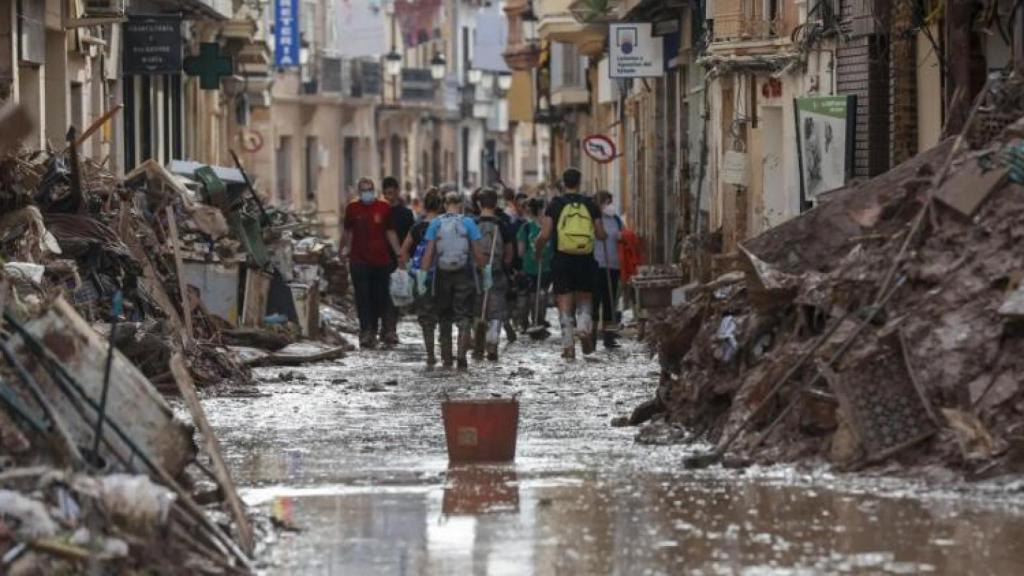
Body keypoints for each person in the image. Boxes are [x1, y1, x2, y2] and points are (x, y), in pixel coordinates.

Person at [534, 167, 606, 359]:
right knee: (585, 298)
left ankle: (568, 346)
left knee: (564, 300)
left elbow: (545, 234)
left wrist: (538, 249)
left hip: (562, 259)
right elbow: (600, 235)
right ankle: (583, 327)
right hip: (585, 259)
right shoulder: (590, 204)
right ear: (579, 182)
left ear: (563, 183)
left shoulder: (555, 204)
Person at [418, 192, 487, 370]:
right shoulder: (469, 222)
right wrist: (485, 273)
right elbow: (478, 252)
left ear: (445, 204)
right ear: (462, 204)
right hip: (464, 272)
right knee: (464, 315)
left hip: (442, 273)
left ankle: (447, 359)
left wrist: (422, 276)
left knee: (444, 316)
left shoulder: (436, 223)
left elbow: (428, 253)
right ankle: (462, 356)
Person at [341, 178, 403, 349]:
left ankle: (381, 329)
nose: (366, 193)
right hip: (359, 260)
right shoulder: (352, 208)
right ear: (359, 192)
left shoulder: (384, 208)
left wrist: (398, 253)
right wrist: (342, 250)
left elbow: (390, 232)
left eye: (369, 189)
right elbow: (347, 232)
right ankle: (366, 331)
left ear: (374, 190)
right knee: (362, 297)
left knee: (380, 297)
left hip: (381, 261)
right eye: (363, 190)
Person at [400, 188, 442, 369]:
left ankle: (431, 354)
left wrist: (410, 268)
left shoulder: (417, 227)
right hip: (444, 275)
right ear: (441, 206)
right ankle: (448, 355)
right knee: (445, 315)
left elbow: (403, 251)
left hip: (421, 277)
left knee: (426, 317)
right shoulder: (445, 225)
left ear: (424, 206)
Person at [474, 187, 515, 361]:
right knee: (496, 309)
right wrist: (505, 266)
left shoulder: (472, 223)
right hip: (496, 269)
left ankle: (478, 343)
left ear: (478, 203)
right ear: (496, 203)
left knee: (477, 309)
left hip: (476, 272)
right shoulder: (503, 224)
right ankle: (492, 343)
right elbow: (510, 251)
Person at [380, 176, 415, 347]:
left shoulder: (405, 214)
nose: (389, 197)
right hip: (379, 258)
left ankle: (390, 329)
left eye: (392, 193)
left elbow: (412, 236)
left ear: (397, 192)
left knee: (395, 295)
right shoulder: (378, 212)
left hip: (397, 259)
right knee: (380, 294)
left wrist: (407, 256)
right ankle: (384, 327)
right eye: (386, 194)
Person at [593, 191, 623, 350]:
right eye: (608, 202)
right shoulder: (592, 219)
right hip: (597, 265)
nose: (611, 205)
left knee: (610, 302)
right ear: (601, 203)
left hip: (613, 265)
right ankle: (591, 335)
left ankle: (608, 337)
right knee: (595, 300)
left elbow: (622, 235)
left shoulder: (615, 219)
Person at [517, 197, 553, 330]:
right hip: (539, 267)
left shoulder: (526, 228)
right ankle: (536, 320)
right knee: (540, 295)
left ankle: (533, 321)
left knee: (534, 295)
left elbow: (521, 251)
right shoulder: (548, 228)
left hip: (536, 267)